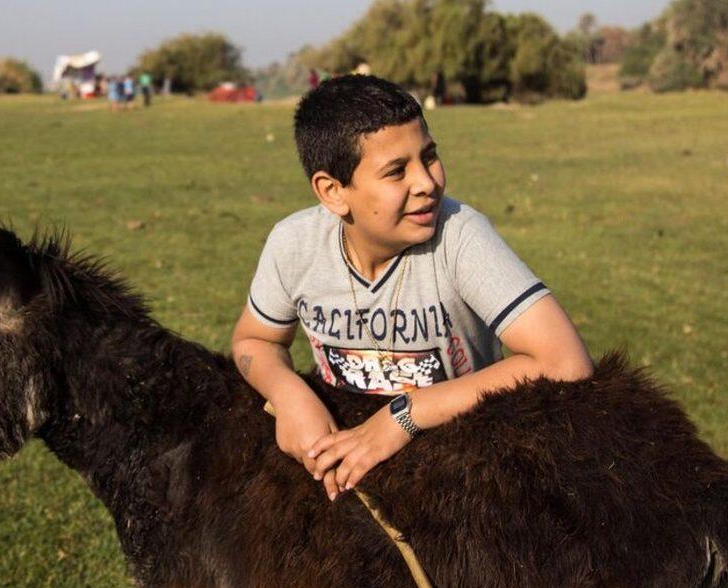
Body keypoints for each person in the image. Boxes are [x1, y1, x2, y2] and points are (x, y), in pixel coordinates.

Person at [231, 75, 593, 501]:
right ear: (332, 192)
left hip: (465, 467)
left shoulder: (459, 236)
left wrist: (404, 415)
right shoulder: (294, 244)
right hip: (351, 473)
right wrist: (288, 393)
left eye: (430, 156)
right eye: (396, 171)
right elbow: (253, 340)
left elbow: (565, 361)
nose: (427, 183)